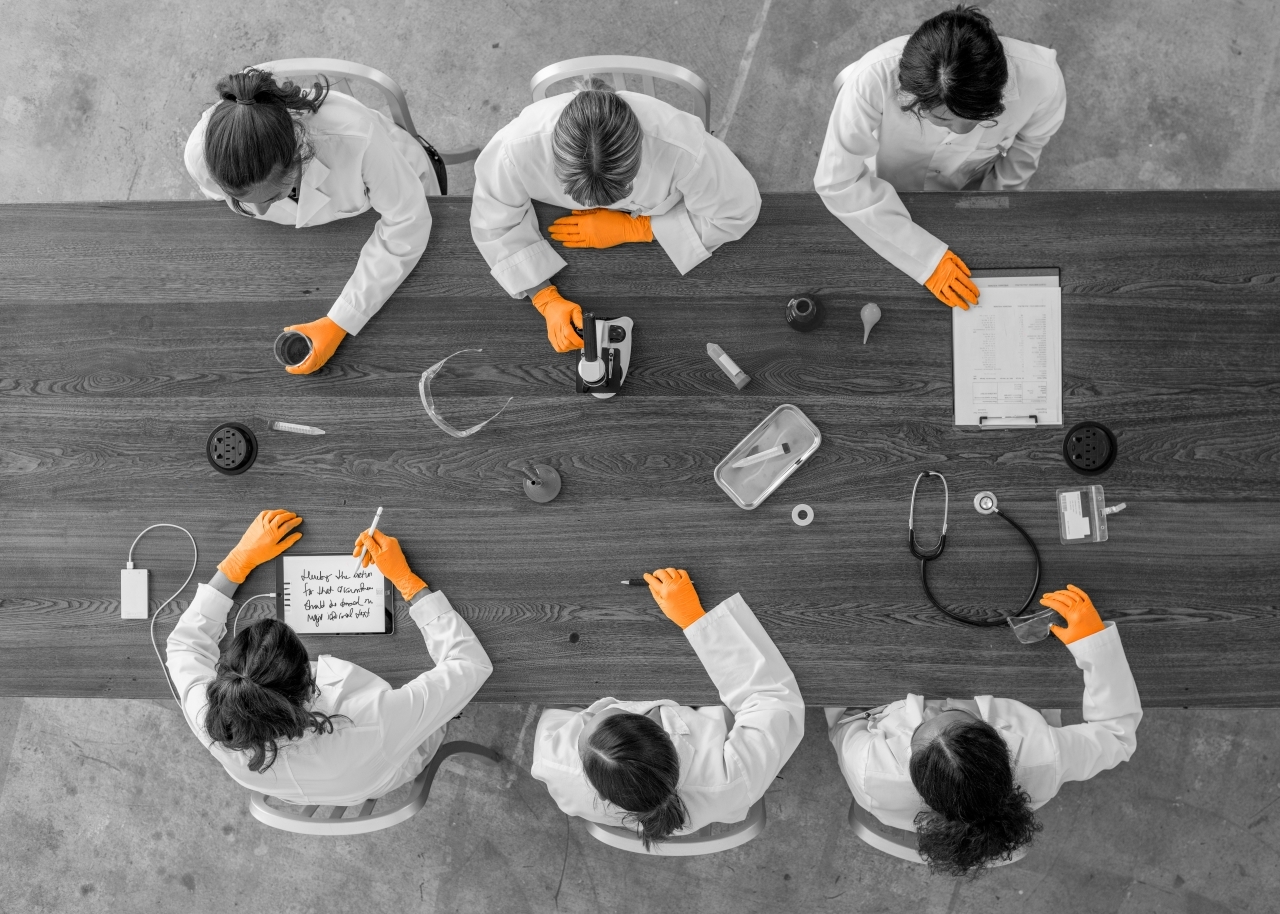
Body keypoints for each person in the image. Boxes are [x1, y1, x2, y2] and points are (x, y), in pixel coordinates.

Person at [165, 509, 492, 805]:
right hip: (387, 767)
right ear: (309, 685)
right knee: (437, 714)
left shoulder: (212, 720)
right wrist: (407, 581)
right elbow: (470, 663)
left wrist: (238, 562)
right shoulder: (374, 722)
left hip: (322, 788)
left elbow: (184, 646)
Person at [827, 585, 1142, 877]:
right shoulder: (1045, 755)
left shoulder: (869, 767)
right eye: (953, 714)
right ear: (1000, 742)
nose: (938, 707)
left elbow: (843, 721)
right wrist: (1093, 643)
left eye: (925, 725)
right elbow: (1117, 737)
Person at [470, 79, 761, 352]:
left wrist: (641, 228)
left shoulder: (681, 145)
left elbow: (737, 209)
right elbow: (494, 220)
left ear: (639, 153)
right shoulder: (515, 148)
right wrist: (544, 297)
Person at [184, 67, 439, 374]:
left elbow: (407, 221)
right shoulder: (201, 155)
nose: (259, 213)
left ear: (298, 157)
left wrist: (341, 320)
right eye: (240, 200)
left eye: (272, 197)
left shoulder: (355, 135)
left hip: (398, 182)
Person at [814, 5, 1067, 310]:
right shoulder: (871, 79)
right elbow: (837, 181)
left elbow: (1026, 149)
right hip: (887, 189)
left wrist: (994, 208)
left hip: (967, 187)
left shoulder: (1043, 81)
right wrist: (925, 260)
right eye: (944, 120)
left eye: (979, 119)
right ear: (911, 98)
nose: (961, 132)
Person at [531, 568, 804, 848]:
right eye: (596, 713)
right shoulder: (731, 779)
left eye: (588, 715)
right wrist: (695, 620)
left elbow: (557, 700)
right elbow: (773, 700)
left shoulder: (553, 764)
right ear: (663, 733)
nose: (588, 711)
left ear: (601, 794)